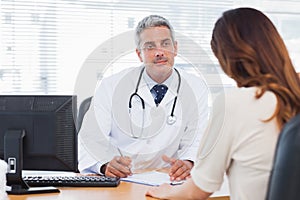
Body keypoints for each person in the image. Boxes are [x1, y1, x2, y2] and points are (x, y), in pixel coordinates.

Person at [146, 7, 300, 200]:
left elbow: (197, 191)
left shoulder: (235, 103)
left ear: (229, 60)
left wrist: (168, 191)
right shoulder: (294, 94)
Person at [78, 15, 209, 181]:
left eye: (165, 44)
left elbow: (197, 139)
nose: (160, 52)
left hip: (169, 181)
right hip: (122, 181)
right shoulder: (111, 86)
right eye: (150, 47)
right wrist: (104, 165)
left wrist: (188, 162)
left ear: (175, 48)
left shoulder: (196, 87)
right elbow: (91, 138)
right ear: (139, 54)